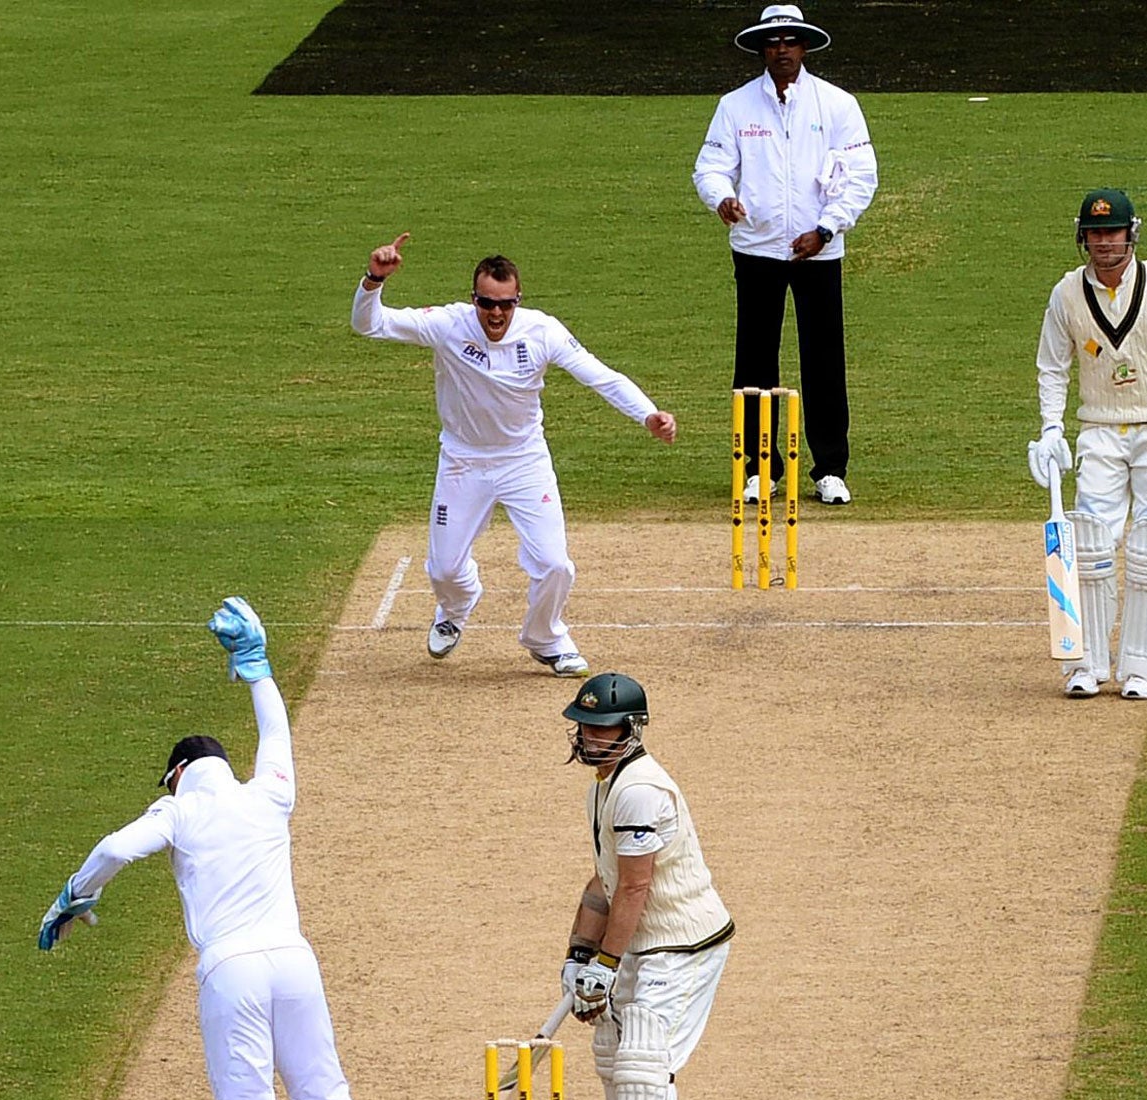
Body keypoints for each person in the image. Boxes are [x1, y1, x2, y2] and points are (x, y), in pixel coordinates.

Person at [38, 599, 375, 1100]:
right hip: (295, 959)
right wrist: (255, 669)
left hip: (231, 970)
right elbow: (276, 732)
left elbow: (113, 849)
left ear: (177, 773)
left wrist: (76, 895)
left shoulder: (180, 805)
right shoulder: (268, 793)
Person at [351, 233, 678, 678]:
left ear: (517, 300)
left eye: (506, 304)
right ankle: (456, 606)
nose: (497, 314)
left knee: (555, 563)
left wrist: (648, 414)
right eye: (487, 304)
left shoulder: (542, 331)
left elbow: (601, 377)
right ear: (474, 300)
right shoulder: (447, 324)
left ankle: (546, 639)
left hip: (524, 460)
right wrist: (374, 280)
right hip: (463, 460)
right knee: (445, 568)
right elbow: (369, 324)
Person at [555, 673, 734, 1100]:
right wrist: (578, 955)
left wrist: (604, 970)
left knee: (641, 1060)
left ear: (631, 730)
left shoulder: (641, 792)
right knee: (612, 1051)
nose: (587, 736)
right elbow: (604, 881)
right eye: (583, 726)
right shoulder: (604, 788)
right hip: (642, 940)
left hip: (682, 943)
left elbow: (636, 888)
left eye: (601, 728)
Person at [1030, 189, 1147, 701]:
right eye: (1095, 233)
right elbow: (1052, 367)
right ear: (1082, 237)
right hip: (1100, 429)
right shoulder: (1066, 295)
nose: (1104, 242)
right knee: (1090, 543)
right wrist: (1050, 429)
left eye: (1112, 232)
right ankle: (1087, 663)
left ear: (1131, 233)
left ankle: (1143, 666)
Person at [696, 3, 877, 507]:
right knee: (754, 359)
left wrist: (826, 228)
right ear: (761, 49)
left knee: (824, 358)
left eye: (790, 41)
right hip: (756, 248)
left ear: (804, 46)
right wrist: (721, 198)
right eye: (772, 42)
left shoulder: (837, 105)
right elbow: (710, 167)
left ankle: (830, 469)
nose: (781, 50)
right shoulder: (735, 107)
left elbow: (862, 176)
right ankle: (759, 470)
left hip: (818, 250)